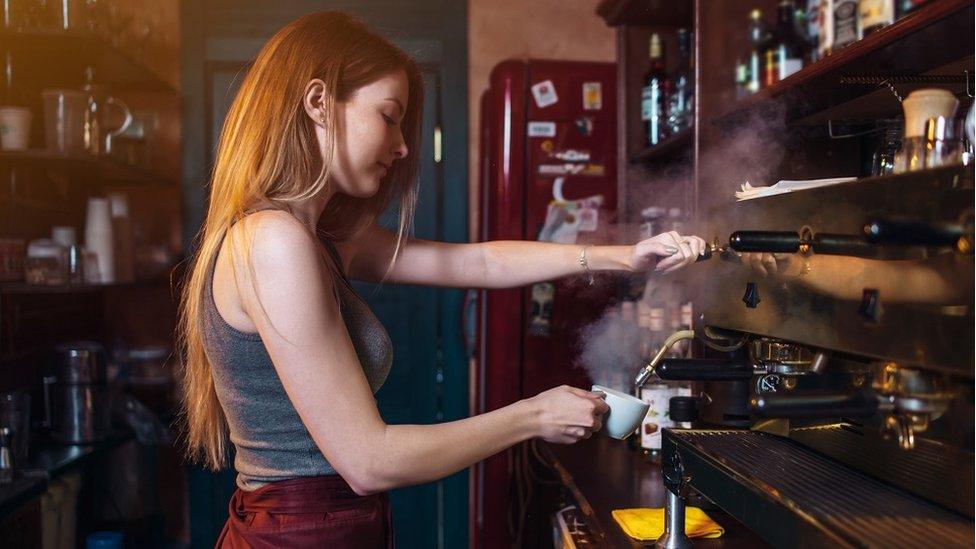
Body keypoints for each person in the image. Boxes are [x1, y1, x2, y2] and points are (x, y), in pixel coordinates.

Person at [176, 11, 707, 548]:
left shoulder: (314, 238)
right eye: (389, 116)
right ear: (318, 102)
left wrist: (626, 256)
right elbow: (367, 460)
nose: (404, 145)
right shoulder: (274, 240)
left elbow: (477, 264)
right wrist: (532, 416)